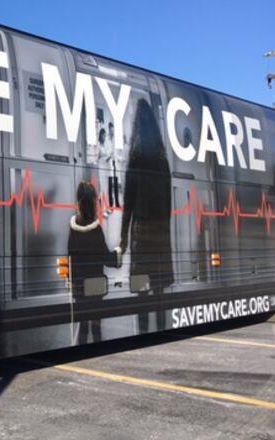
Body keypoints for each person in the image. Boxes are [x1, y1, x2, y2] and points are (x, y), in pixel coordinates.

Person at [119, 99, 174, 333]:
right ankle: (162, 330)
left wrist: (123, 237)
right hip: (160, 230)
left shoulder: (135, 159)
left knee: (141, 287)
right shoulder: (162, 161)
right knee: (160, 289)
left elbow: (128, 205)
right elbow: (168, 204)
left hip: (141, 231)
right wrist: (164, 225)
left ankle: (143, 333)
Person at [68, 181, 121, 343]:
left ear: (79, 203)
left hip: (79, 288)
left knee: (83, 327)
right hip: (95, 288)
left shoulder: (73, 228)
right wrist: (119, 250)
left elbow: (70, 258)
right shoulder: (95, 230)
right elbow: (107, 259)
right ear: (92, 203)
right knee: (96, 329)